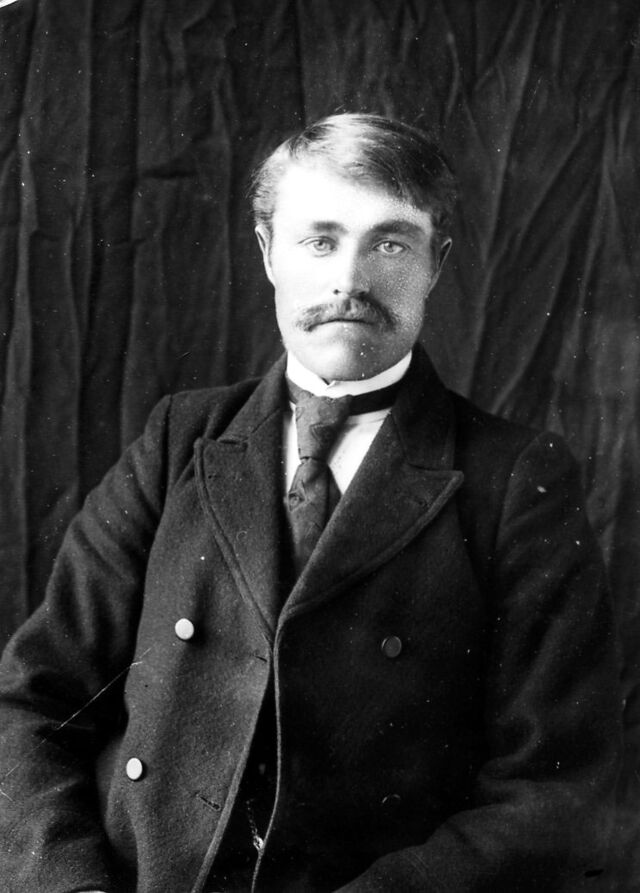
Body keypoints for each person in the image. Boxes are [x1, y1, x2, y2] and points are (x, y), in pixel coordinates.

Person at [0, 113, 622, 893]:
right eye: (319, 240)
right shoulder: (178, 440)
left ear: (436, 263)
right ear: (268, 253)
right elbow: (33, 701)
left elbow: (554, 791)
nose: (349, 280)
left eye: (390, 243)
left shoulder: (516, 479)